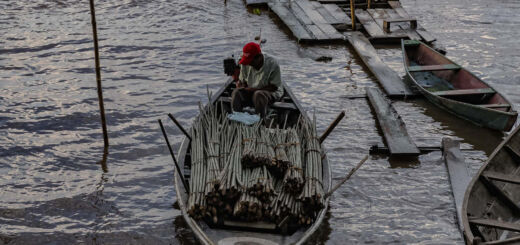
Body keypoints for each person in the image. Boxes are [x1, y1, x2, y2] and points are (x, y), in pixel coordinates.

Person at [231, 42, 284, 118]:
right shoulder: (244, 63)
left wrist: (254, 90)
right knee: (236, 92)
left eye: (251, 61)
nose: (248, 64)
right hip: (251, 90)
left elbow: (274, 87)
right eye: (247, 61)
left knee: (258, 94)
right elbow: (243, 81)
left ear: (259, 57)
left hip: (270, 92)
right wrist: (241, 85)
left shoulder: (272, 64)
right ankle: (237, 119)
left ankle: (260, 122)